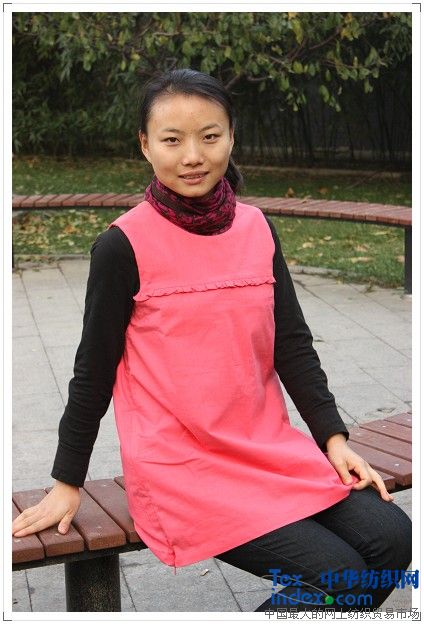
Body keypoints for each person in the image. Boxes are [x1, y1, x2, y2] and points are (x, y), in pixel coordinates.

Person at [12, 68, 411, 612]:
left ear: (231, 137)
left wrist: (333, 438)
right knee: (341, 575)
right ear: (145, 146)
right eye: (172, 140)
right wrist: (67, 480)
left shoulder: (256, 228)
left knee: (393, 538)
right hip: (184, 471)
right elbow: (93, 373)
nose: (193, 156)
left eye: (209, 136)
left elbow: (292, 344)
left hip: (267, 452)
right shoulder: (123, 246)